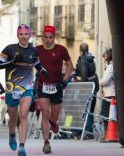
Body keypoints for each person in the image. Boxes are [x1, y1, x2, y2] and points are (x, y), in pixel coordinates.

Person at [0, 24, 49, 156]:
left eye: (26, 34)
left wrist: (43, 70)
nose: (24, 37)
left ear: (30, 35)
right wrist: (12, 61)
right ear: (17, 35)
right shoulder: (9, 49)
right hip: (12, 88)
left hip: (27, 87)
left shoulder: (34, 51)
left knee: (23, 114)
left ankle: (22, 146)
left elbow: (36, 63)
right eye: (21, 34)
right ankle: (11, 134)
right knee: (13, 119)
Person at [35, 25, 74, 154]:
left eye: (50, 37)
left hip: (57, 86)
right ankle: (46, 142)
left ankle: (53, 122)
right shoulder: (37, 50)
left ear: (54, 37)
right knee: (45, 113)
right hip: (43, 86)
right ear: (42, 37)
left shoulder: (61, 50)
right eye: (45, 37)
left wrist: (65, 80)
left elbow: (70, 66)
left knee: (54, 117)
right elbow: (29, 63)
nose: (47, 40)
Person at [74, 42, 99, 136]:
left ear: (80, 50)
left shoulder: (83, 60)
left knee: (86, 109)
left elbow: (84, 75)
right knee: (91, 110)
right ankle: (89, 131)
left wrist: (81, 87)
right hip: (94, 85)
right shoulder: (91, 58)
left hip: (87, 87)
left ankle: (86, 132)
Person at [99, 48, 115, 141]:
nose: (104, 59)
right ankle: (108, 135)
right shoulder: (112, 65)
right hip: (111, 93)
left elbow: (105, 81)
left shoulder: (111, 66)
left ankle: (106, 135)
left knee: (105, 115)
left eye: (105, 56)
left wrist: (100, 82)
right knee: (111, 116)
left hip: (109, 94)